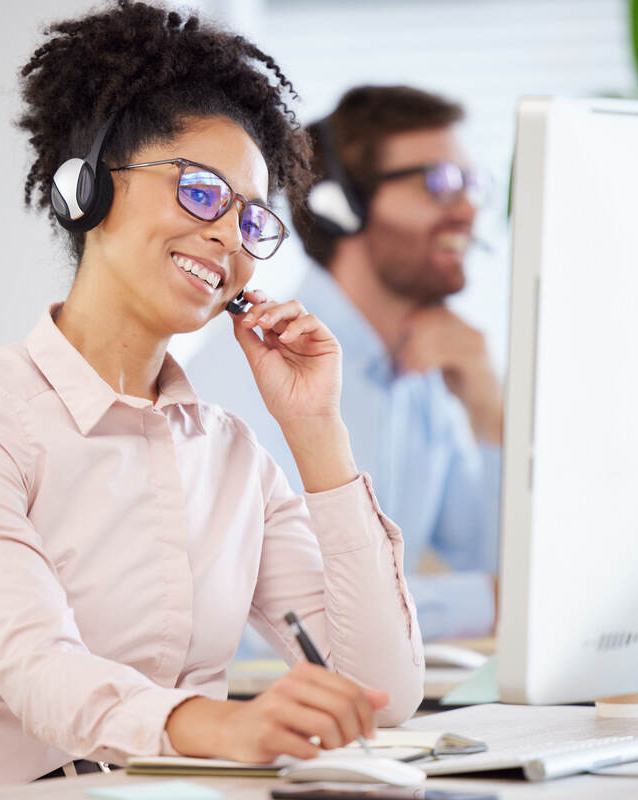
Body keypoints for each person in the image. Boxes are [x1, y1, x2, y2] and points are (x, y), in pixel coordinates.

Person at [0, 5, 422, 793]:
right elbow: (40, 671)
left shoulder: (230, 453)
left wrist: (315, 430)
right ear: (89, 190)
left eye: (253, 220)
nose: (232, 240)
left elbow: (382, 693)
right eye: (203, 194)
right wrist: (219, 727)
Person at [190, 86, 504, 645]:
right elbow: (279, 614)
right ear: (341, 207)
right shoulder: (259, 366)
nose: (467, 209)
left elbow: (488, 558)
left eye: (470, 184)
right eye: (439, 183)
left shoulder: (424, 367)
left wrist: (489, 407)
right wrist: (488, 602)